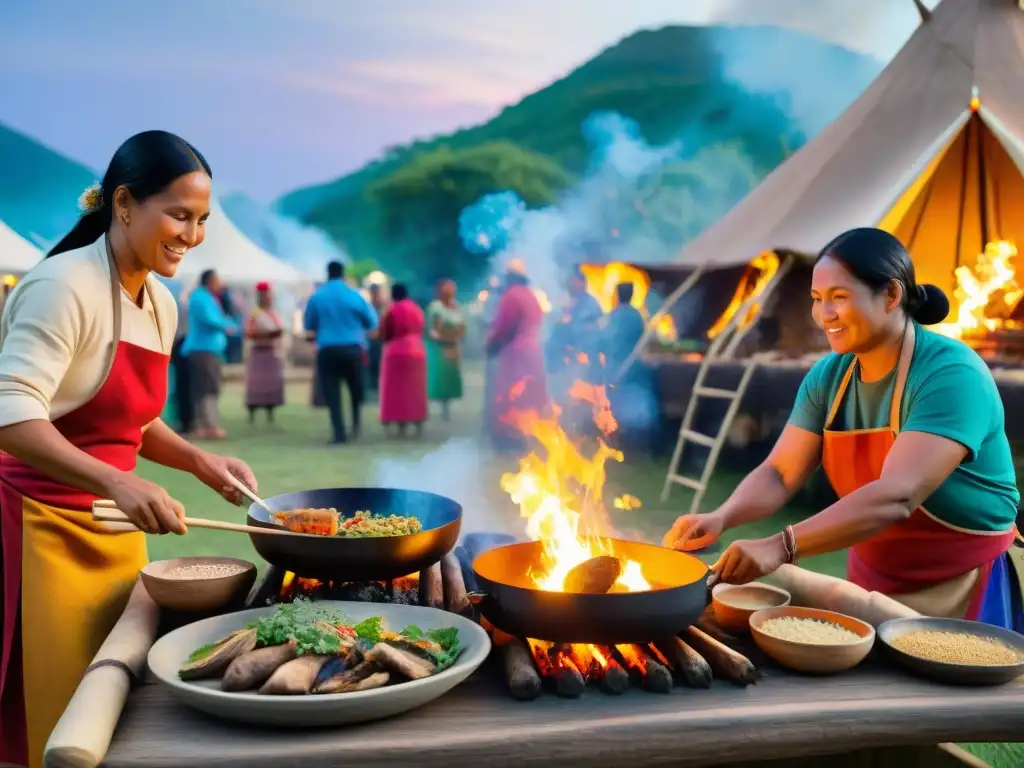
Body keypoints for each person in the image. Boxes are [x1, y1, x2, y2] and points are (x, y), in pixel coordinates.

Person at [0, 130, 258, 768]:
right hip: (35, 533)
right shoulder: (64, 285)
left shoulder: (161, 303)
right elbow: (10, 413)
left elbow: (130, 420)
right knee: (48, 725)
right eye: (177, 215)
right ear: (122, 204)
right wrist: (117, 481)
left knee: (111, 718)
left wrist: (199, 460)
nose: (191, 236)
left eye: (200, 221)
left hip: (111, 533)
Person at [664, 228, 1022, 629]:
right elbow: (780, 473)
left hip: (966, 588)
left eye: (839, 297)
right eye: (817, 300)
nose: (824, 315)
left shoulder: (950, 374)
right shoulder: (829, 378)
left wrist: (782, 546)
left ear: (891, 295)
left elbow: (896, 496)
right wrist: (722, 516)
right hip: (872, 586)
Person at [304, 261, 377, 444]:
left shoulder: (317, 297)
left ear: (327, 274)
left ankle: (338, 433)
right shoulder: (354, 295)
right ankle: (356, 424)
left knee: (332, 392)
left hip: (327, 350)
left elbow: (309, 325)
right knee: (355, 389)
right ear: (342, 274)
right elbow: (371, 321)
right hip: (352, 349)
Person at [486, 259, 549, 450]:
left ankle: (509, 439)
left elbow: (503, 327)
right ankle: (527, 436)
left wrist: (491, 346)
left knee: (509, 395)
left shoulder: (511, 296)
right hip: (533, 352)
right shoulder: (531, 296)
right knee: (529, 396)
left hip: (516, 353)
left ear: (511, 278)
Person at [183, 269, 238, 440]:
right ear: (209, 281)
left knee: (207, 387)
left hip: (208, 350)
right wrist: (230, 324)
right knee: (207, 388)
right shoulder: (200, 297)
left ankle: (205, 424)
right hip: (203, 350)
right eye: (217, 280)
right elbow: (211, 320)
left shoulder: (207, 297)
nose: (220, 285)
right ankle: (208, 425)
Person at [601, 282, 657, 448]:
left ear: (618, 295)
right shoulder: (638, 316)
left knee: (621, 405)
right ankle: (642, 442)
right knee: (639, 404)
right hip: (635, 367)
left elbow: (606, 340)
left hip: (618, 368)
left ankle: (623, 441)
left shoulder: (613, 316)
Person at [379, 284, 428, 437]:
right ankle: (418, 422)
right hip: (417, 352)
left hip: (396, 352)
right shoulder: (417, 309)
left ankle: (401, 426)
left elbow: (385, 332)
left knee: (398, 391)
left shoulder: (392, 310)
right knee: (415, 390)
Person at [244, 281, 285, 425]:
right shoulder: (254, 313)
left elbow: (280, 330)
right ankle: (252, 414)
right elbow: (249, 331)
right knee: (256, 384)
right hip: (259, 351)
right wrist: (265, 333)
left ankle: (270, 412)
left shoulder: (274, 313)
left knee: (271, 384)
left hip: (271, 352)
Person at [426, 278, 466, 421]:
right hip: (440, 346)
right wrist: (446, 337)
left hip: (453, 345)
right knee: (440, 377)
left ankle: (447, 405)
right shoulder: (436, 307)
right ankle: (440, 405)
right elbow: (434, 329)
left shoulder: (457, 307)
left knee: (450, 377)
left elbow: (462, 327)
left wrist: (456, 336)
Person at [365, 282, 390, 396]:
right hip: (371, 341)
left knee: (381, 365)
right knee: (372, 366)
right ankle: (373, 389)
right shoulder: (368, 307)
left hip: (381, 340)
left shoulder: (384, 307)